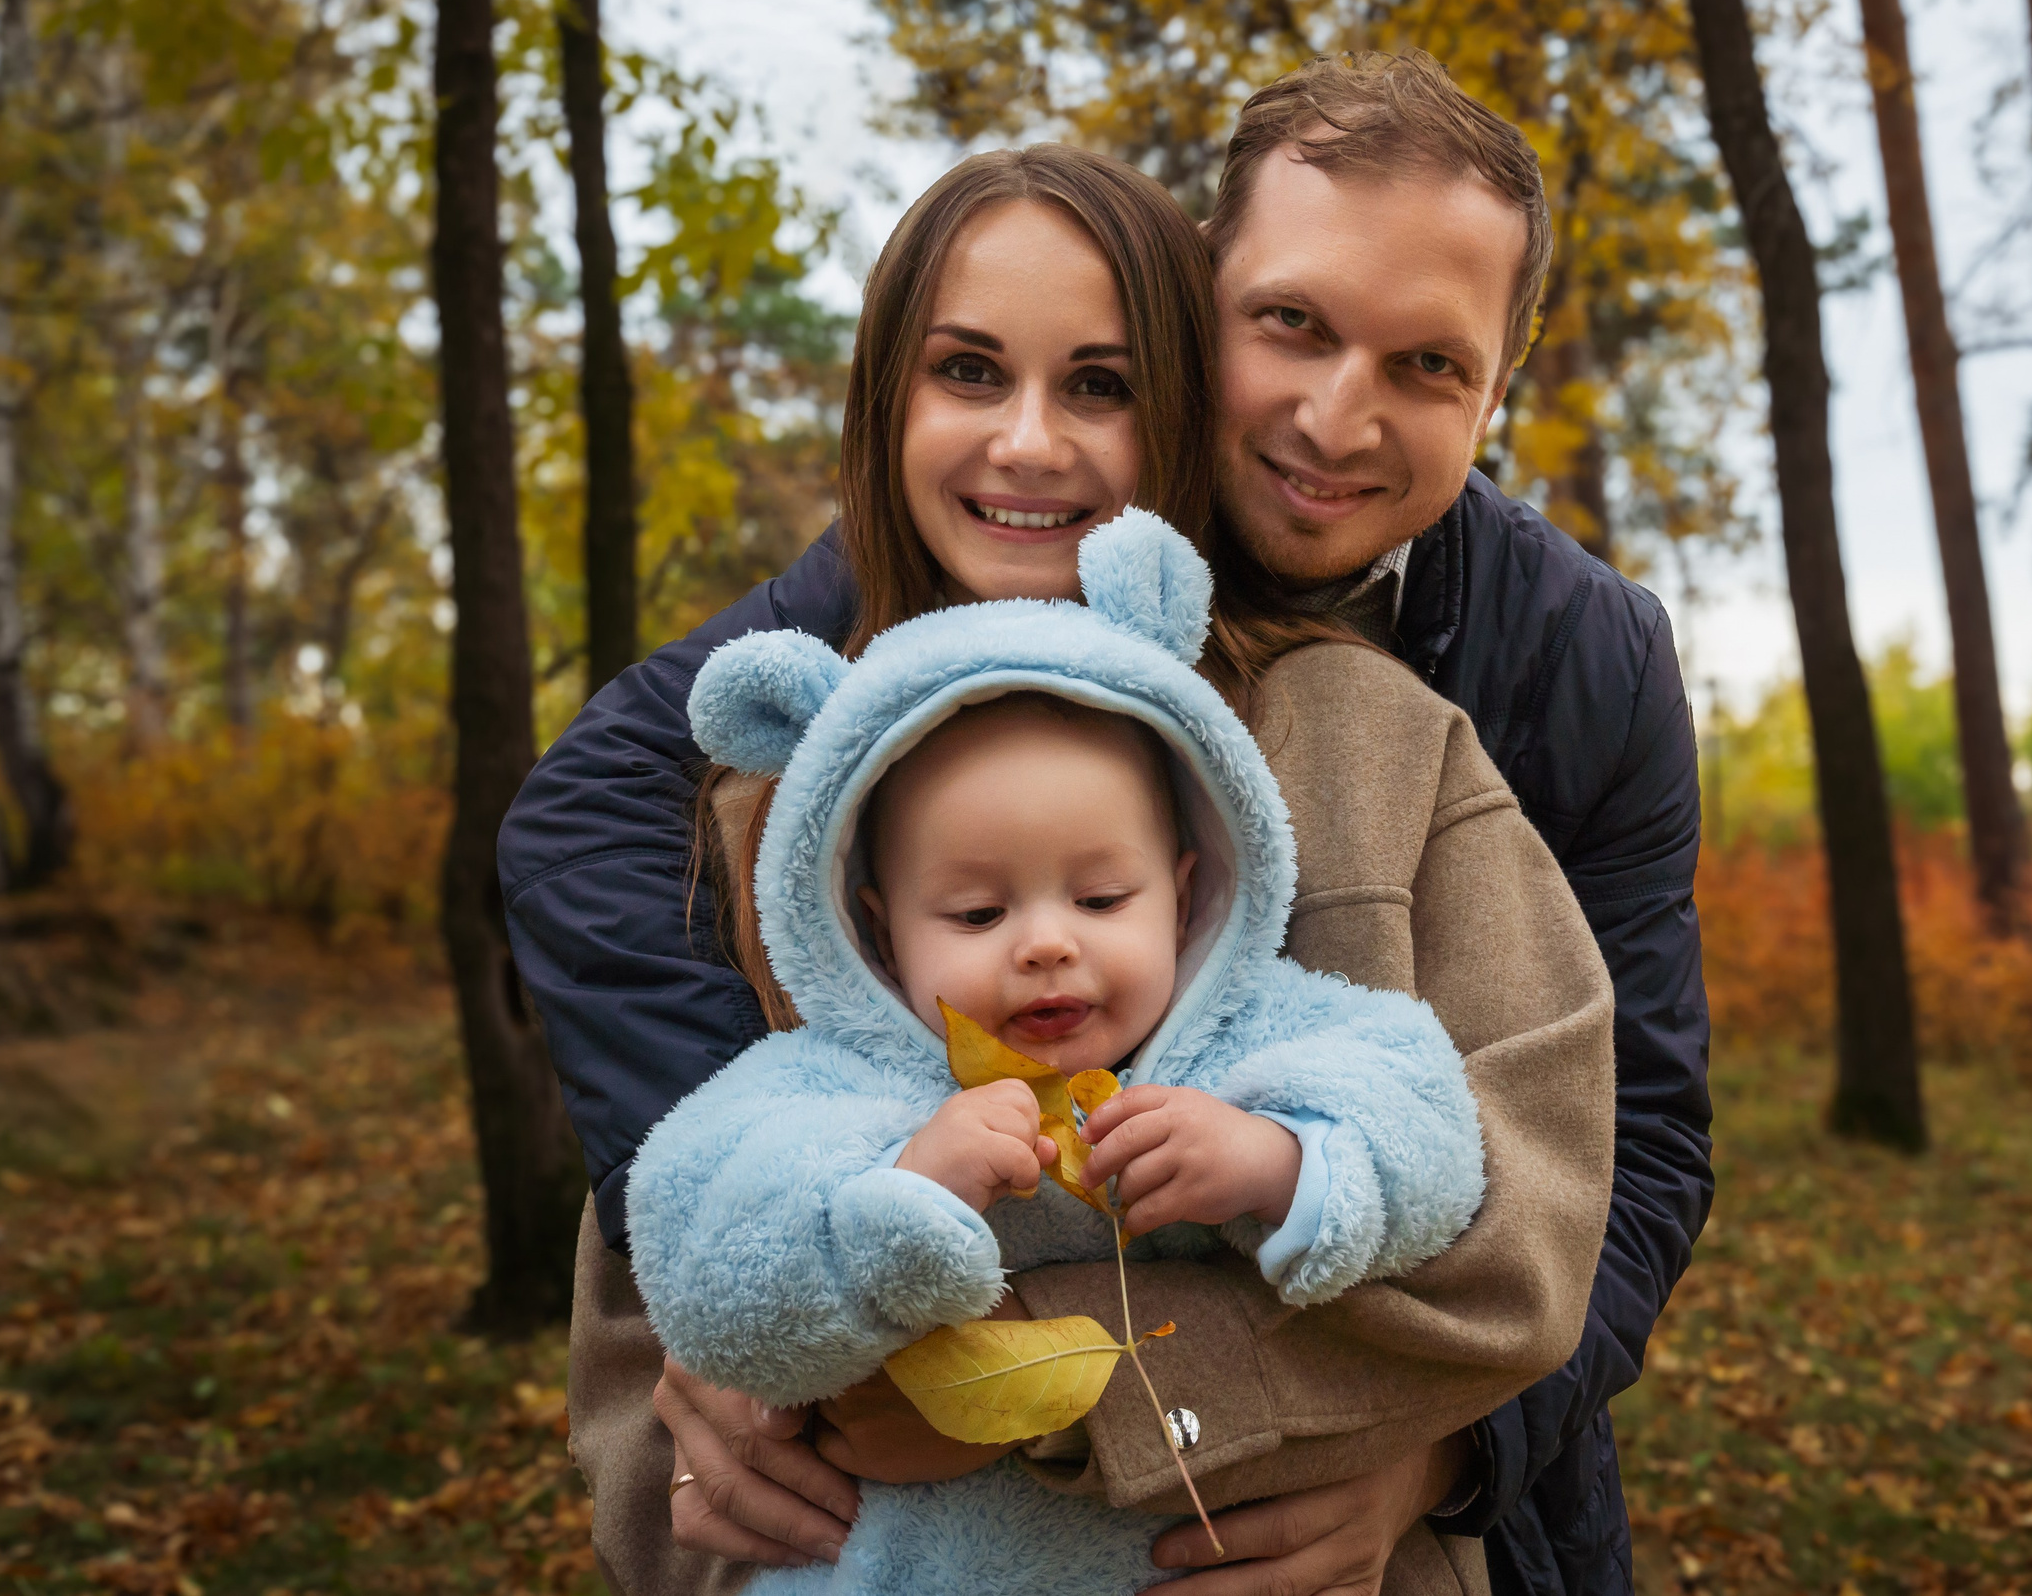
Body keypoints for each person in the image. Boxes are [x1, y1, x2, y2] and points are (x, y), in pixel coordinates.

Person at [504, 53, 1712, 1594]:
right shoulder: (804, 774)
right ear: (1212, 322)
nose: (1030, 444)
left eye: (1097, 384)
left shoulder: (1421, 731)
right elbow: (667, 1270)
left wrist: (1442, 1455)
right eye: (1291, 322)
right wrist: (710, 1414)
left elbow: (1589, 1171)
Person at [629, 514, 1497, 1594]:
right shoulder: (839, 1086)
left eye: (1099, 896)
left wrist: (1280, 1164)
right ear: (877, 923)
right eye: (978, 908)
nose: (1047, 941)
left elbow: (1430, 1128)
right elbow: (705, 1254)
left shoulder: (1257, 1036)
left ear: (1185, 893)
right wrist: (896, 1200)